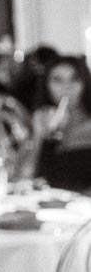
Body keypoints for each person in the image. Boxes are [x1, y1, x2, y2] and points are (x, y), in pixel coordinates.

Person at [30, 54, 91, 191]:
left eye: (75, 79)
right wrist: (39, 135)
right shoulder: (43, 119)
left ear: (85, 83)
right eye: (57, 80)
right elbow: (26, 177)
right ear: (46, 85)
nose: (67, 87)